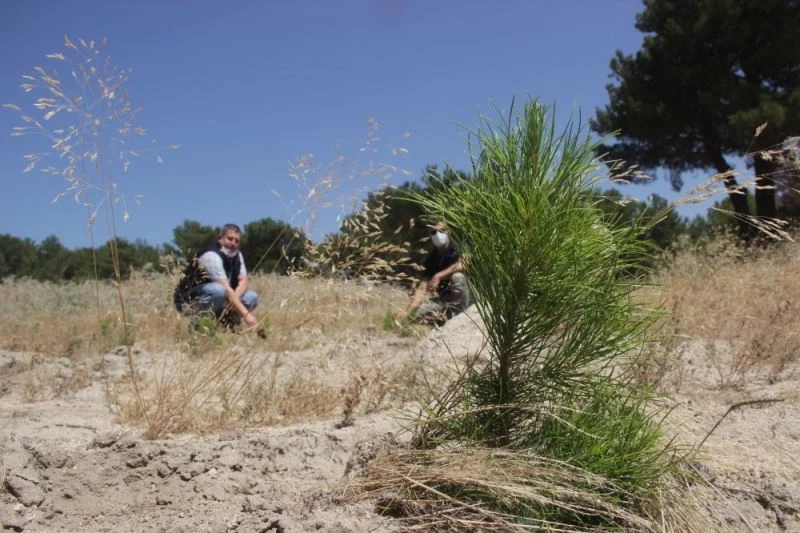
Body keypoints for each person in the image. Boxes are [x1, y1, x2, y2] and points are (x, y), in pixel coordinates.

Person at [173, 223, 259, 329]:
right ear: (220, 239)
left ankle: (226, 325)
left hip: (222, 297)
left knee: (252, 297)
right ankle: (198, 326)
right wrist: (246, 315)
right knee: (217, 290)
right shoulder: (211, 255)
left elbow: (244, 280)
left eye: (237, 241)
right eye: (230, 239)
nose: (233, 243)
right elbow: (226, 289)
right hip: (189, 300)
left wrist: (234, 300)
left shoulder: (237, 255)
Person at [404, 230, 470, 325]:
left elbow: (463, 264)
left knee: (457, 277)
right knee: (416, 314)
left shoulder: (460, 247)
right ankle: (443, 321)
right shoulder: (431, 259)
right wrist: (407, 312)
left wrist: (438, 276)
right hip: (443, 300)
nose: (438, 234)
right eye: (434, 232)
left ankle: (462, 314)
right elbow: (422, 288)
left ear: (448, 232)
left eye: (441, 230)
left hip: (464, 296)